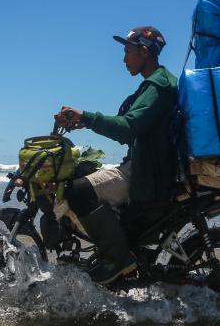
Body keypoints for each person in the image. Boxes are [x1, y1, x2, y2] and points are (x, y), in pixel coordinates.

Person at [54, 26, 179, 285]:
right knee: (85, 176)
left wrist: (86, 117)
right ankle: (113, 249)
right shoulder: (154, 85)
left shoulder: (159, 86)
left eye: (127, 52)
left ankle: (118, 260)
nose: (124, 59)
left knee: (78, 191)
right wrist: (83, 123)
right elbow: (131, 129)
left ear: (144, 51)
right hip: (147, 163)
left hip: (147, 171)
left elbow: (128, 127)